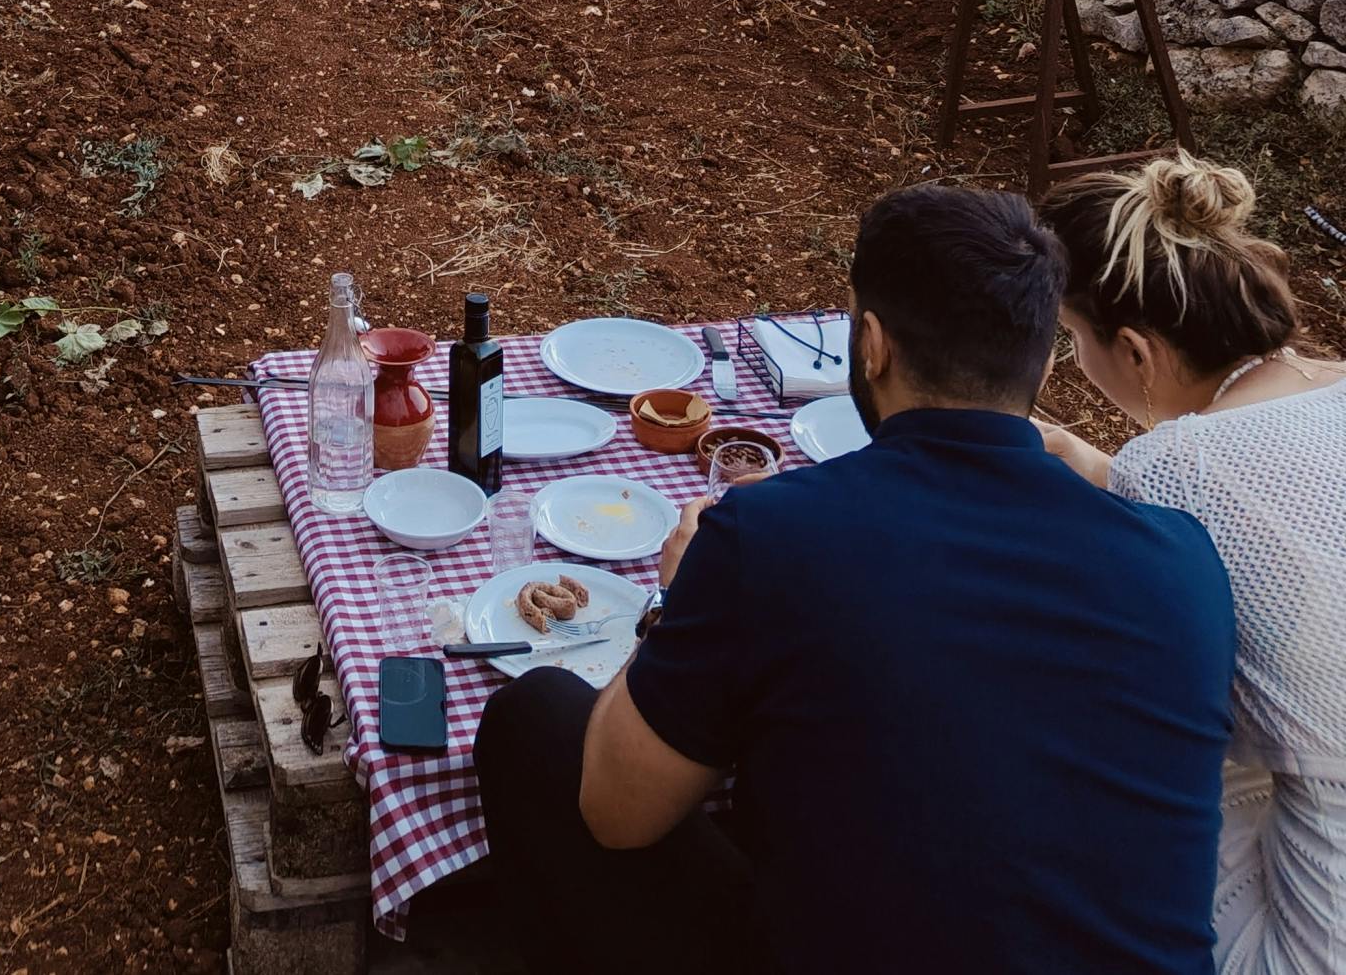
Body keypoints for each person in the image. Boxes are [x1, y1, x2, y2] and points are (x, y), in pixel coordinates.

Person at [474, 183, 1236, 974]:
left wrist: (675, 596)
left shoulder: (769, 537)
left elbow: (615, 812)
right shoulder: (1184, 560)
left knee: (536, 717)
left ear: (870, 344)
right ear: (1043, 355)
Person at [1040, 155, 1346, 975]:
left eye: (1073, 340)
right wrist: (1105, 470)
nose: (1075, 361)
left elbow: (1129, 697)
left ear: (1135, 350)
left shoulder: (1175, 466)